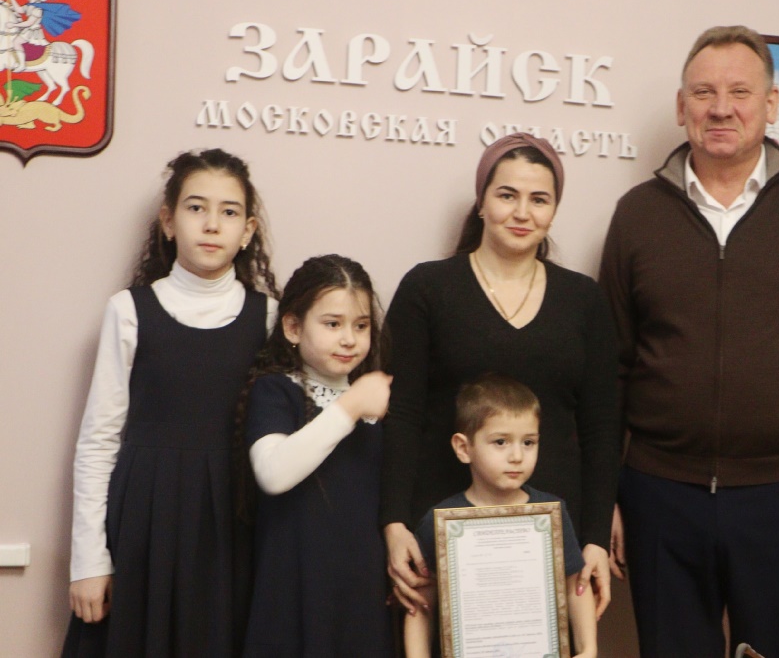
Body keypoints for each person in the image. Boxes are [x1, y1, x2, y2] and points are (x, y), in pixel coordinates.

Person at [599, 25, 779, 658]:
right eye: (704, 92)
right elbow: (610, 368)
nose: (720, 108)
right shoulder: (637, 214)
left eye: (739, 92)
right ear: (682, 107)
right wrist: (603, 500)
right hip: (659, 496)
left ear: (771, 105)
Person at [381, 133, 620, 620]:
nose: (522, 212)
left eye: (539, 199)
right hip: (441, 530)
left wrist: (595, 537)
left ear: (554, 210)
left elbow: (602, 427)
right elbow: (401, 414)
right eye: (507, 195)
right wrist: (394, 523)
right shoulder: (427, 288)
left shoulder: (584, 300)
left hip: (551, 534)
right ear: (482, 202)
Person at [61, 149, 280, 657]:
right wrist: (89, 560)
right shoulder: (129, 311)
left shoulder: (270, 317)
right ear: (168, 221)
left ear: (247, 231)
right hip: (145, 519)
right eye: (196, 207)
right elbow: (98, 441)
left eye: (229, 212)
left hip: (233, 525)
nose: (212, 224)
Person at [240, 254, 394, 656]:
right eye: (332, 324)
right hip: (294, 590)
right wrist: (350, 407)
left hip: (361, 593)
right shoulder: (276, 391)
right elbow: (273, 473)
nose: (349, 339)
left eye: (361, 326)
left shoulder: (375, 402)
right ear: (293, 327)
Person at [405, 373, 597, 658]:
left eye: (528, 442)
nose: (517, 456)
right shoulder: (440, 521)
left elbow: (575, 588)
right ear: (463, 448)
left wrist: (589, 648)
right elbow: (422, 604)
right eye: (500, 442)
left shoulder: (552, 513)